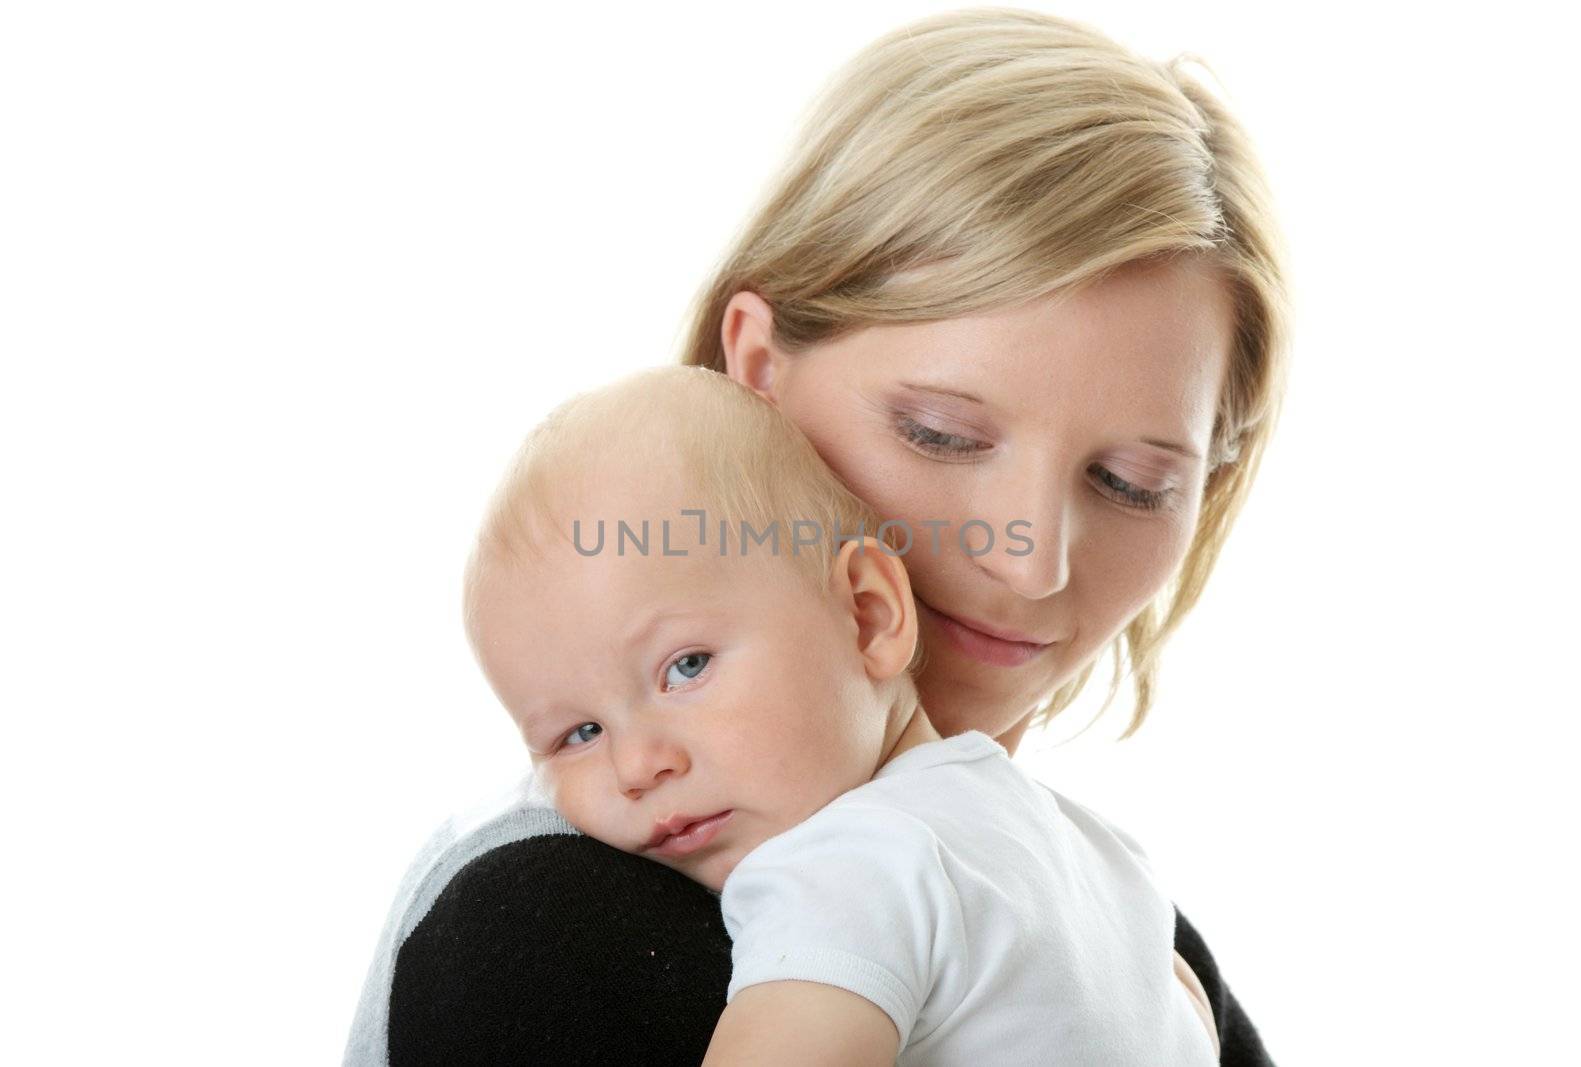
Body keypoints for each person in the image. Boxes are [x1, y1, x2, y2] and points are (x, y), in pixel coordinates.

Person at [345, 9, 1287, 1065]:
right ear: (757, 368)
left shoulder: (1137, 938)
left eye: (1130, 482)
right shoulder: (545, 918)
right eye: (938, 432)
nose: (1031, 561)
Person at [460, 365, 1221, 1065]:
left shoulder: (844, 872)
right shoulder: (1103, 860)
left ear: (865, 615)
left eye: (686, 667)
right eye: (578, 734)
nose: (636, 765)